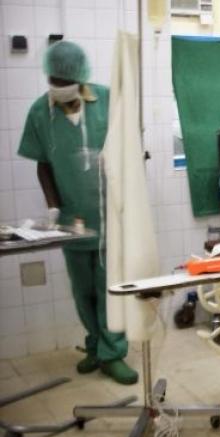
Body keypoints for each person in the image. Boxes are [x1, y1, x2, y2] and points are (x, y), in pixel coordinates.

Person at [17, 41, 138, 384]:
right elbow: (42, 165)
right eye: (53, 81)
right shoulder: (40, 112)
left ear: (80, 78)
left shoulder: (107, 100)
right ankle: (95, 345)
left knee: (109, 288)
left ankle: (113, 353)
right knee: (81, 289)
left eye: (64, 80)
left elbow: (129, 148)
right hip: (71, 219)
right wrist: (54, 206)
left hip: (108, 214)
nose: (58, 87)